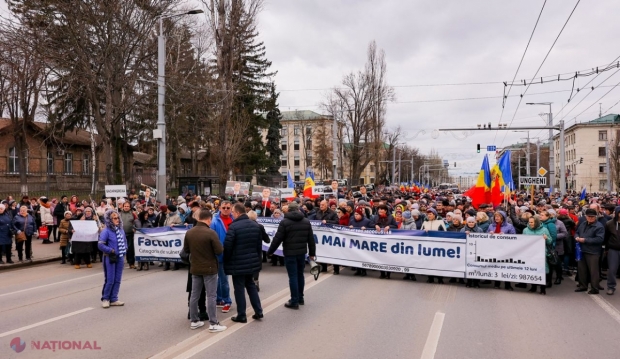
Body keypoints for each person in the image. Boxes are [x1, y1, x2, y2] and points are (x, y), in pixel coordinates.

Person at [184, 208, 227, 332]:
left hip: (195, 267)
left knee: (194, 295)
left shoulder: (190, 232)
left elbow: (186, 250)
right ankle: (213, 323)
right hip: (209, 267)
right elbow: (219, 250)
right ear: (209, 219)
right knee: (211, 296)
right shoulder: (210, 233)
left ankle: (194, 320)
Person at [268, 201, 316, 309]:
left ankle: (294, 301)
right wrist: (312, 253)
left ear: (288, 210)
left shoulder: (284, 222)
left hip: (289, 253)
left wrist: (270, 251)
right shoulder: (306, 221)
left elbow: (277, 238)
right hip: (301, 253)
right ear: (298, 210)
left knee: (293, 276)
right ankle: (300, 298)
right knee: (300, 275)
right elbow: (311, 240)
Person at [224, 203, 263, 322]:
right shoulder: (255, 225)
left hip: (238, 262)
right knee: (251, 285)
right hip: (251, 261)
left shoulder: (234, 227)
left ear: (237, 213)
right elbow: (258, 246)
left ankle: (242, 314)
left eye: (232, 212)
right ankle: (258, 311)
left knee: (239, 288)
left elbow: (228, 246)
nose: (231, 214)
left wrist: (226, 260)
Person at [98, 209, 127, 308]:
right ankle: (105, 298)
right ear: (109, 219)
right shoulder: (106, 231)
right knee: (110, 279)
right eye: (114, 218)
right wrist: (111, 250)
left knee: (117, 279)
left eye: (118, 217)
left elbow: (124, 241)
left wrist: (125, 248)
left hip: (120, 257)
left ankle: (114, 298)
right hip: (110, 257)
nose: (117, 219)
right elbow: (100, 245)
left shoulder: (121, 230)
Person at [210, 200, 234, 313]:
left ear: (231, 208)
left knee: (223, 279)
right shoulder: (214, 221)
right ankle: (222, 299)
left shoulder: (234, 219)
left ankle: (226, 300)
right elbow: (211, 237)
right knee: (221, 278)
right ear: (219, 208)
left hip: (231, 253)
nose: (225, 209)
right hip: (219, 253)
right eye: (223, 207)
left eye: (228, 208)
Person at [575, 208, 605, 294]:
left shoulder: (599, 226)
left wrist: (585, 240)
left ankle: (595, 288)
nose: (590, 218)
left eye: (592, 216)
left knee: (593, 271)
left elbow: (599, 239)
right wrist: (576, 237)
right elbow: (577, 232)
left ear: (595, 217)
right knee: (581, 269)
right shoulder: (583, 224)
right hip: (581, 250)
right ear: (586, 216)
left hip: (593, 252)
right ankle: (583, 286)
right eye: (589, 216)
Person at [523, 216, 552, 295]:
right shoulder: (525, 230)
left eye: (532, 222)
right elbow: (522, 241)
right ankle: (533, 287)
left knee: (541, 271)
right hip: (530, 254)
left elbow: (550, 241)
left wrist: (547, 238)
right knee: (532, 270)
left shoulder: (544, 230)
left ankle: (542, 289)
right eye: (529, 222)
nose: (530, 224)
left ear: (536, 222)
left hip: (541, 254)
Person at [369, 204, 398, 279]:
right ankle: (382, 273)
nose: (380, 210)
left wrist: (389, 226)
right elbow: (370, 224)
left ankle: (388, 274)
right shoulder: (375, 217)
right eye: (379, 209)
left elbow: (395, 226)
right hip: (378, 239)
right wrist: (375, 225)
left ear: (385, 211)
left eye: (382, 209)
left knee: (388, 257)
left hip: (388, 240)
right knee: (380, 256)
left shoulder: (390, 217)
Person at [604, 206, 620, 295]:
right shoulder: (610, 224)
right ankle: (611, 287)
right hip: (613, 249)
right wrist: (606, 248)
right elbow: (606, 237)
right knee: (612, 269)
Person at [119, 202, 137, 269]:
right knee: (121, 249)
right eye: (125, 206)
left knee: (130, 249)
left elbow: (136, 222)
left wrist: (134, 228)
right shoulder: (119, 214)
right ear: (123, 207)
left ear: (130, 207)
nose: (126, 207)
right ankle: (120, 263)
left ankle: (131, 263)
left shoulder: (133, 214)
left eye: (127, 206)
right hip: (121, 234)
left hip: (130, 234)